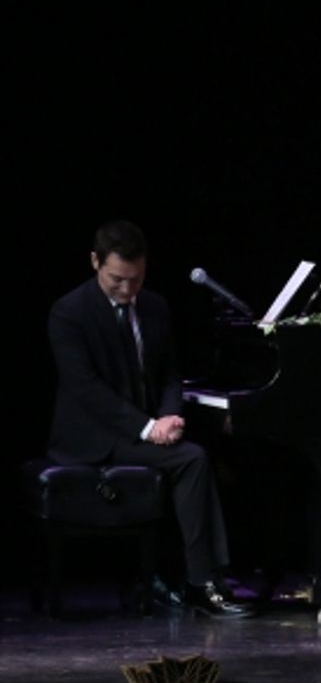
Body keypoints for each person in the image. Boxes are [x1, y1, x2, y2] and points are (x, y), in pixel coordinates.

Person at [47, 220, 251, 618]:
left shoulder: (155, 306)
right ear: (95, 262)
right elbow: (85, 388)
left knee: (219, 446)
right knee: (191, 460)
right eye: (116, 280)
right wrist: (147, 427)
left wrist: (171, 413)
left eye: (135, 279)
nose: (126, 290)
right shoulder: (68, 312)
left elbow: (170, 372)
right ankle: (201, 581)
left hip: (145, 426)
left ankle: (205, 573)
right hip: (95, 435)